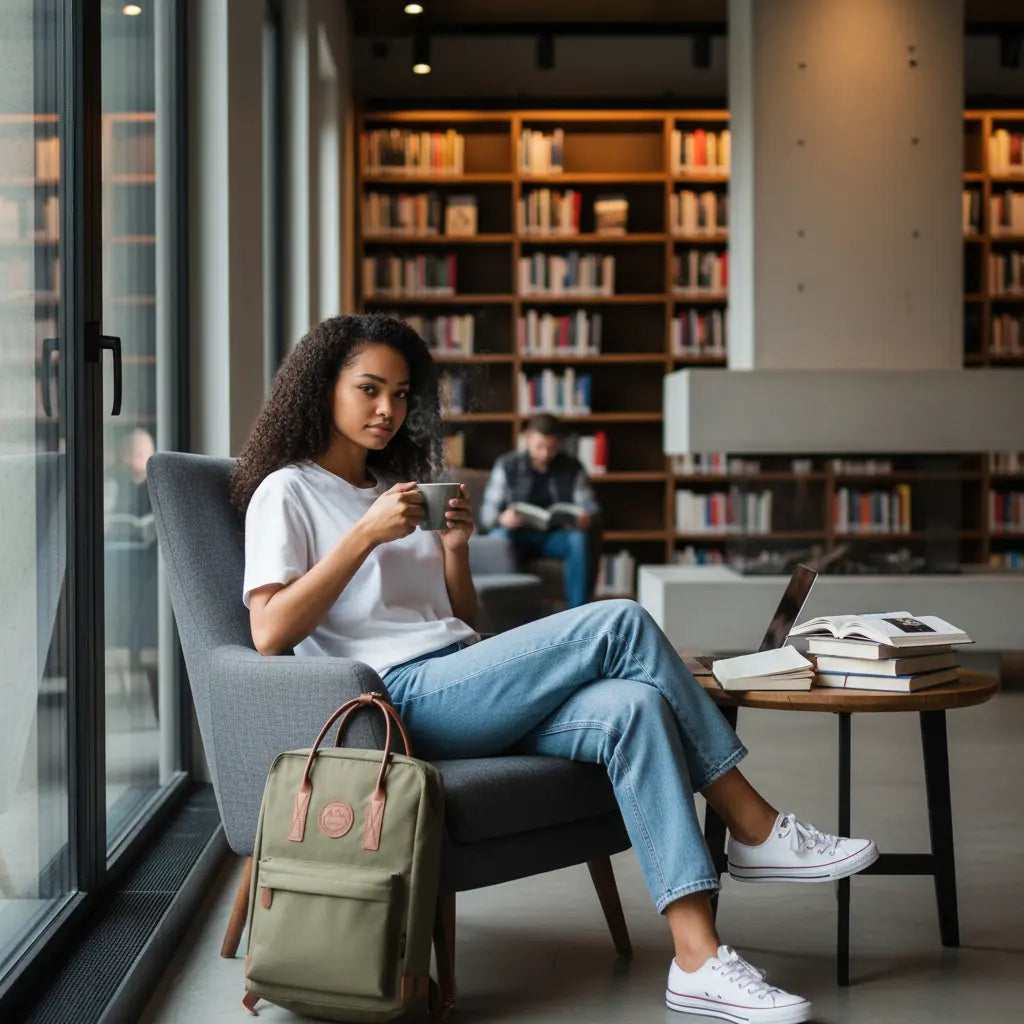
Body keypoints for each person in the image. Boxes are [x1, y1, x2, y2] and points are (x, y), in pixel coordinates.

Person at [233, 313, 879, 1024]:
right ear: (323, 387)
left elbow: (460, 620)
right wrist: (362, 536)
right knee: (621, 620)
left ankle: (697, 959)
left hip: (459, 672)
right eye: (368, 389)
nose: (387, 409)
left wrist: (453, 550)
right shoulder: (286, 492)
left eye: (400, 392)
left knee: (633, 707)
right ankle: (753, 827)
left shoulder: (396, 489)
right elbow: (269, 632)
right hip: (395, 699)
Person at [479, 413, 599, 608]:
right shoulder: (506, 465)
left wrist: (587, 515)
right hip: (517, 536)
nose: (544, 454)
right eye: (539, 447)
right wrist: (503, 518)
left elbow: (588, 504)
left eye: (550, 448)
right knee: (499, 536)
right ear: (527, 438)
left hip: (554, 537)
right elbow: (487, 513)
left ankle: (579, 611)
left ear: (558, 443)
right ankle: (508, 608)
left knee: (578, 538)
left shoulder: (572, 467)